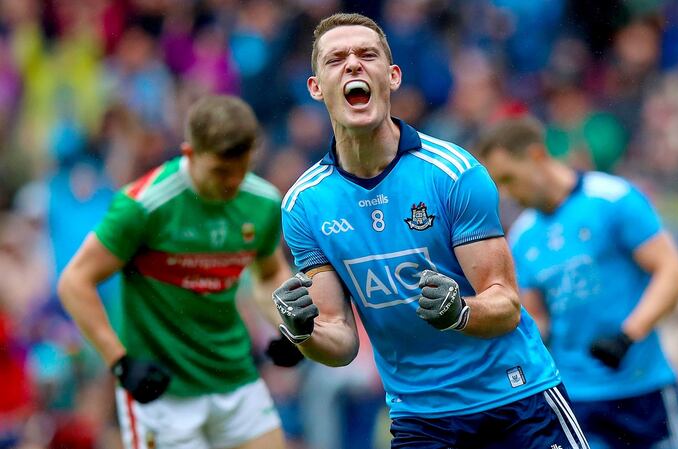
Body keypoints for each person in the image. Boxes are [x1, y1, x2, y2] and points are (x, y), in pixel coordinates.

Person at [274, 12, 589, 449]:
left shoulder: (453, 173)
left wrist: (459, 311)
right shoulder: (303, 205)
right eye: (335, 59)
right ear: (314, 87)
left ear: (393, 76)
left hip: (515, 398)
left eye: (367, 55)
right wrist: (302, 330)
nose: (353, 65)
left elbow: (506, 303)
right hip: (422, 419)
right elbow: (341, 341)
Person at [57, 95, 299, 449]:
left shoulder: (262, 201)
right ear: (189, 154)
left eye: (241, 169)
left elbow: (268, 273)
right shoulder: (144, 205)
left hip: (235, 376)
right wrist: (120, 364)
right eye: (220, 171)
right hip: (162, 391)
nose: (232, 183)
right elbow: (74, 282)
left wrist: (285, 325)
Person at [475, 116, 678, 449]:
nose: (506, 194)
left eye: (509, 179)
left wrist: (627, 336)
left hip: (642, 386)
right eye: (498, 185)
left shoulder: (611, 198)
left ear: (536, 157)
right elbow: (538, 317)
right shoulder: (521, 238)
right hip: (577, 397)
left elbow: (673, 270)